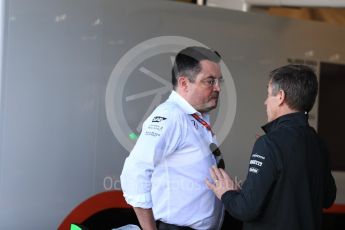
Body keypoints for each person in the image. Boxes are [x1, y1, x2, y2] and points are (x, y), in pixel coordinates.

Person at [206, 64, 337, 230]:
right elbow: (328, 198)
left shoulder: (269, 143)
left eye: (268, 94)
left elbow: (246, 209)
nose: (265, 102)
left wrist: (226, 193)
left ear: (281, 96)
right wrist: (248, 192)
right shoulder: (319, 144)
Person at [121, 46, 225, 230]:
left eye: (219, 81)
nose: (218, 88)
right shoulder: (171, 117)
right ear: (184, 83)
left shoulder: (196, 117)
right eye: (210, 81)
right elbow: (135, 172)